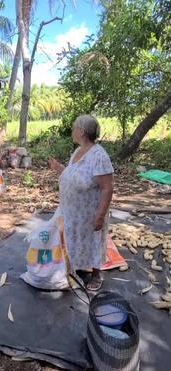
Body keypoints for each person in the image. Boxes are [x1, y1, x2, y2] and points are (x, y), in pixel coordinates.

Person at [48, 114, 114, 291]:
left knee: (93, 240)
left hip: (89, 212)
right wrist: (59, 168)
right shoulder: (78, 151)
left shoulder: (99, 155)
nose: (72, 131)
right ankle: (76, 266)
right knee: (74, 239)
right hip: (72, 211)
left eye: (74, 128)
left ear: (82, 132)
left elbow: (107, 187)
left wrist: (100, 216)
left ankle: (96, 274)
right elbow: (73, 174)